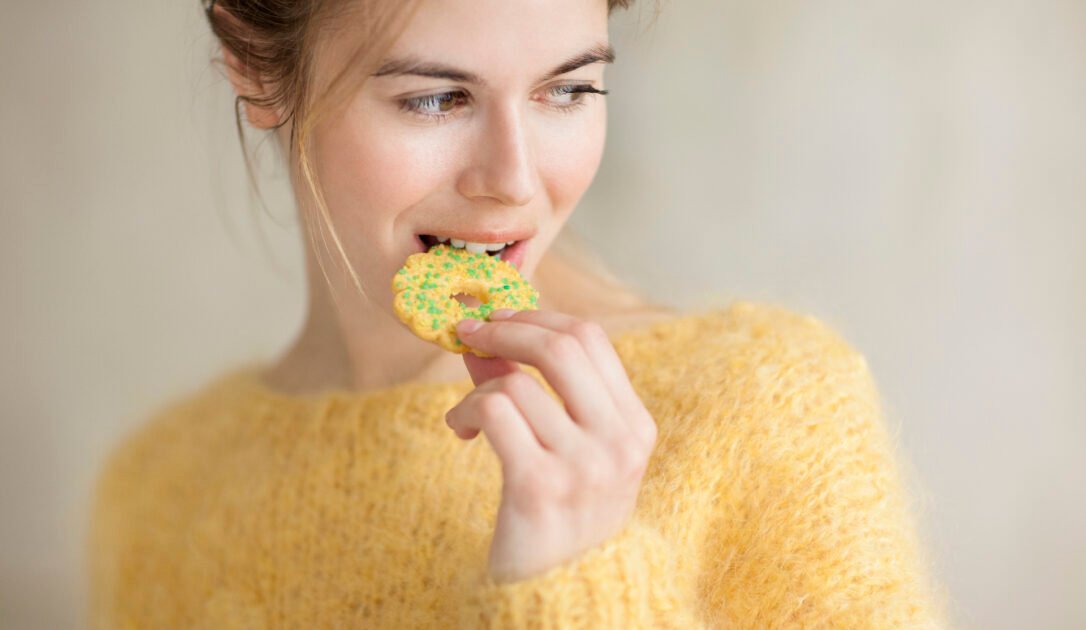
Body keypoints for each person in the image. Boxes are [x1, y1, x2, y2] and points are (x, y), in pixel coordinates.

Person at [87, 0, 952, 627]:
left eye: (568, 91)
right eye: (436, 98)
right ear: (251, 63)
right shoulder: (160, 487)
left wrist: (577, 589)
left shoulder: (766, 408)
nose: (514, 177)